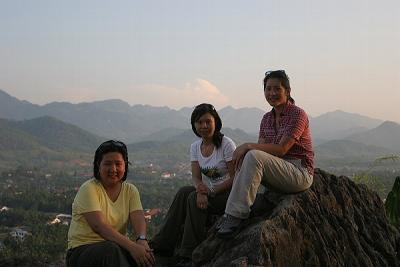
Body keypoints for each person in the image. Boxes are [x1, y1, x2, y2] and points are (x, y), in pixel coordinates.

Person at [217, 70, 314, 237]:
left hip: (299, 173)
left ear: (287, 91)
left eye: (277, 89)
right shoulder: (266, 119)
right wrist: (246, 153)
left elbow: (282, 149)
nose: (272, 93)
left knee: (252, 154)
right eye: (268, 89)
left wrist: (247, 146)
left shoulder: (298, 114)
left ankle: (234, 216)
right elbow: (260, 149)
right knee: (250, 156)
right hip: (278, 172)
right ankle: (232, 211)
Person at [150, 103, 236, 266]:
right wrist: (200, 190)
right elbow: (196, 177)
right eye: (199, 122)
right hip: (210, 191)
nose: (204, 126)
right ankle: (162, 244)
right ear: (194, 125)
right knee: (184, 192)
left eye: (207, 122)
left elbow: (235, 177)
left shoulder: (226, 144)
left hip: (228, 194)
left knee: (192, 199)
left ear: (215, 122)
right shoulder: (195, 147)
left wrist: (210, 192)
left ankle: (188, 254)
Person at [66, 140, 155, 267]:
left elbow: (138, 217)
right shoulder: (89, 188)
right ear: (98, 165)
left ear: (125, 166)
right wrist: (132, 247)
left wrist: (141, 240)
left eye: (118, 164)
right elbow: (99, 227)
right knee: (112, 250)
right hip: (82, 252)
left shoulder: (130, 190)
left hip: (115, 249)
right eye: (107, 164)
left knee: (146, 255)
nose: (113, 169)